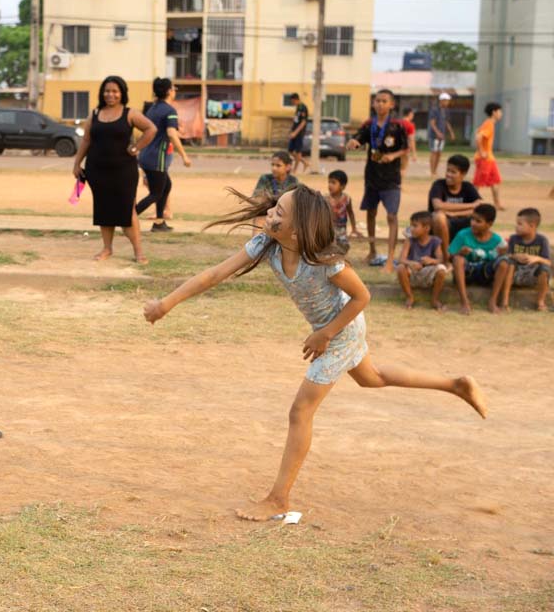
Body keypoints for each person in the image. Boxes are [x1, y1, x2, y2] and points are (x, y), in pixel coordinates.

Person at [143, 185, 487, 522]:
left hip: (341, 329)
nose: (269, 214)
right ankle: (455, 385)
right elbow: (215, 274)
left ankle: (278, 498)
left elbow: (362, 296)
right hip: (333, 330)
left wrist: (326, 333)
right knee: (373, 378)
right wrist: (166, 304)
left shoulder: (324, 261)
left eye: (279, 212)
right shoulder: (267, 242)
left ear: (298, 229)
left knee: (300, 410)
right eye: (273, 207)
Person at [72, 76, 156, 264]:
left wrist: (137, 147)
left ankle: (138, 252)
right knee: (103, 209)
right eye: (107, 91)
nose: (110, 94)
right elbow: (86, 140)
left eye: (115, 91)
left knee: (128, 210)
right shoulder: (95, 114)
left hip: (123, 171)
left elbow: (151, 129)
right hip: (97, 170)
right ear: (102, 93)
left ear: (122, 93)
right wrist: (77, 163)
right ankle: (107, 248)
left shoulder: (130, 113)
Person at [346, 89, 408, 274]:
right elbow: (359, 138)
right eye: (377, 101)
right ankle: (372, 251)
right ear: (373, 104)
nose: (380, 104)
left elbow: (405, 148)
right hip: (372, 176)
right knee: (371, 213)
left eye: (384, 101)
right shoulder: (368, 124)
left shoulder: (397, 126)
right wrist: (354, 142)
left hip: (391, 179)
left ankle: (390, 258)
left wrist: (392, 155)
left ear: (392, 104)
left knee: (391, 216)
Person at [136, 78, 192, 233]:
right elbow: (171, 134)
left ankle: (159, 222)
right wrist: (184, 156)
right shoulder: (169, 110)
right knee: (156, 193)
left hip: (146, 155)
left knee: (166, 186)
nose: (175, 91)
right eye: (173, 88)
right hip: (156, 157)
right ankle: (128, 217)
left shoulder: (153, 108)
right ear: (168, 91)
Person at [449, 203, 506, 315]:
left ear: (489, 224)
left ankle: (492, 301)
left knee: (504, 262)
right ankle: (465, 302)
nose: (473, 223)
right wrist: (459, 252)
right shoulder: (463, 234)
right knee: (458, 259)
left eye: (478, 221)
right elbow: (449, 256)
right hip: (467, 273)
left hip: (486, 274)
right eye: (472, 219)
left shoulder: (496, 240)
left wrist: (503, 253)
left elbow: (501, 259)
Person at [491, 208, 551, 312]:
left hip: (533, 276)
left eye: (520, 224)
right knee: (510, 263)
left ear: (532, 226)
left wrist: (536, 258)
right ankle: (504, 302)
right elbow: (507, 255)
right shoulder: (514, 238)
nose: (516, 227)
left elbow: (548, 262)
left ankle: (540, 302)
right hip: (515, 275)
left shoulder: (542, 240)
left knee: (544, 269)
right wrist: (515, 256)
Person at [428, 155, 481, 263]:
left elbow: (479, 207)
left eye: (453, 172)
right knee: (439, 217)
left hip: (461, 228)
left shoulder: (468, 187)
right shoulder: (439, 185)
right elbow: (438, 205)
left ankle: (478, 254)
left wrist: (452, 214)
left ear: (463, 174)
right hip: (440, 229)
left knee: (482, 218)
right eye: (448, 170)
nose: (448, 174)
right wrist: (471, 205)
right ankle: (444, 258)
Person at [396, 211, 448, 310]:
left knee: (441, 270)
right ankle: (410, 297)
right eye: (411, 226)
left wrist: (431, 260)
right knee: (400, 268)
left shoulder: (435, 241)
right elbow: (401, 259)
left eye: (415, 226)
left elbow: (441, 259)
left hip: (428, 273)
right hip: (413, 273)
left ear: (427, 228)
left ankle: (435, 299)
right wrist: (410, 263)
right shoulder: (409, 241)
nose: (411, 229)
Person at [474, 102, 505, 211]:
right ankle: (470, 203)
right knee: (478, 183)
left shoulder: (490, 123)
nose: (501, 113)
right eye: (499, 111)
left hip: (490, 159)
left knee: (495, 181)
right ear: (494, 112)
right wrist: (481, 151)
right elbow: (478, 137)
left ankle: (497, 204)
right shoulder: (489, 124)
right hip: (484, 159)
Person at [326, 169, 360, 253]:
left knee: (343, 248)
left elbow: (351, 213)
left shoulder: (346, 199)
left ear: (343, 186)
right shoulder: (325, 199)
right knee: (328, 249)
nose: (330, 185)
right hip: (328, 230)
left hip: (341, 230)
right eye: (329, 182)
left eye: (333, 183)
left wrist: (354, 228)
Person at [428, 93, 455, 177]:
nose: (447, 103)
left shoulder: (446, 111)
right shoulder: (435, 110)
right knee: (434, 152)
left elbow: (447, 122)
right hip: (434, 136)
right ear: (441, 101)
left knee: (439, 153)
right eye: (446, 101)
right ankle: (432, 171)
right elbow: (432, 123)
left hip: (442, 135)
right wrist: (438, 133)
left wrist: (451, 132)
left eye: (448, 101)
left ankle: (435, 170)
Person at [287, 93, 309, 174]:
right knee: (290, 150)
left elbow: (303, 122)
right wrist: (291, 131)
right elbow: (296, 120)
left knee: (298, 152)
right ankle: (305, 163)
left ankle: (295, 170)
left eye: (292, 101)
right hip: (294, 132)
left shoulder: (303, 107)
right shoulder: (298, 108)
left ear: (295, 99)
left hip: (299, 133)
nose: (292, 103)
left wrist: (295, 133)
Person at [399, 107, 418, 179]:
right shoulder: (410, 125)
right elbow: (411, 139)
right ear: (409, 114)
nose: (413, 115)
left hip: (395, 149)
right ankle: (399, 185)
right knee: (403, 168)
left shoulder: (398, 122)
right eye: (412, 113)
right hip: (404, 149)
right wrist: (414, 153)